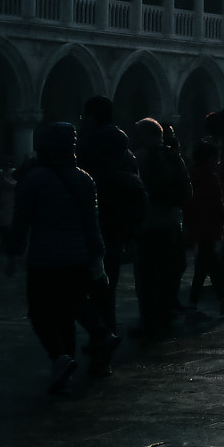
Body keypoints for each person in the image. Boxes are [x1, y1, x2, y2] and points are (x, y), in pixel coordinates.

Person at [6, 121, 112, 391]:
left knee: (41, 312)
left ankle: (60, 356)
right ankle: (92, 338)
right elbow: (92, 222)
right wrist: (98, 256)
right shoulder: (83, 178)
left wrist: (12, 252)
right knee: (71, 307)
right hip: (77, 258)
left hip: (44, 259)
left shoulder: (34, 179)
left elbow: (21, 222)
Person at [77, 97, 143, 337]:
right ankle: (109, 327)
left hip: (91, 217)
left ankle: (101, 333)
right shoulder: (122, 146)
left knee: (81, 285)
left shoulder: (84, 144)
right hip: (118, 219)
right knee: (109, 281)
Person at [130, 118, 189, 341]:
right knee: (167, 274)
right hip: (172, 224)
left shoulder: (138, 159)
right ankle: (165, 318)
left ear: (145, 135)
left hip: (147, 227)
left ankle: (148, 322)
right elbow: (188, 192)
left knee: (146, 279)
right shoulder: (175, 157)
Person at [186, 115, 224, 315]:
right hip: (210, 227)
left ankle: (220, 300)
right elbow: (217, 203)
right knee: (206, 266)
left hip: (198, 226)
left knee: (206, 265)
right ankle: (207, 302)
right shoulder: (210, 178)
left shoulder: (191, 175)